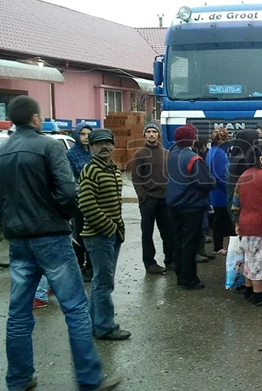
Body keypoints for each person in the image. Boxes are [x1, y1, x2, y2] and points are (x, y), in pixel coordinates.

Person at [0, 96, 122, 390]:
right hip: (51, 237)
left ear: (12, 119)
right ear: (36, 118)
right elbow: (69, 193)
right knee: (75, 307)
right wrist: (60, 216)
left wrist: (6, 217)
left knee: (18, 312)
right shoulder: (49, 146)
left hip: (18, 240)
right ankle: (88, 378)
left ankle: (19, 379)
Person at [79, 129, 129, 341]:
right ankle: (105, 327)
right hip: (99, 235)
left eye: (108, 143)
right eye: (98, 144)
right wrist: (108, 227)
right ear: (90, 147)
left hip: (113, 234)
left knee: (102, 280)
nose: (104, 147)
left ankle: (96, 324)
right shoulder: (90, 170)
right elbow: (86, 204)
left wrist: (116, 229)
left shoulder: (113, 169)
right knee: (104, 282)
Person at [166, 124, 215, 290]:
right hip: (191, 206)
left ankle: (180, 275)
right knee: (190, 244)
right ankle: (189, 279)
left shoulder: (171, 154)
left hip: (174, 204)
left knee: (178, 241)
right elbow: (204, 182)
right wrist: (212, 182)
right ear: (191, 139)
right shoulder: (193, 159)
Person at [232, 142, 262, 306]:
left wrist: (237, 222)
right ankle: (259, 295)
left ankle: (248, 289)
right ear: (261, 158)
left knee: (249, 258)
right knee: (259, 261)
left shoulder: (243, 175)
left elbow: (235, 204)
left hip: (245, 224)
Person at [132, 121, 176, 274]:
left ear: (159, 134)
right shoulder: (140, 154)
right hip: (148, 199)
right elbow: (136, 178)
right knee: (147, 233)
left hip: (164, 199)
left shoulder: (166, 153)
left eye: (154, 132)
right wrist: (142, 197)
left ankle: (170, 259)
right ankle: (150, 263)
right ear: (144, 135)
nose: (151, 134)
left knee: (168, 231)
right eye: (149, 132)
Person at [65, 122, 94, 281]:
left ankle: (91, 266)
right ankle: (79, 266)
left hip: (94, 200)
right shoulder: (70, 155)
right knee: (79, 235)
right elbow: (69, 179)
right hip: (78, 202)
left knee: (92, 233)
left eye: (88, 134)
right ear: (76, 135)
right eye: (82, 134)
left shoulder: (93, 153)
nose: (86, 137)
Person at [206, 128, 235, 255]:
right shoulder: (219, 153)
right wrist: (230, 190)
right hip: (221, 194)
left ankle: (219, 246)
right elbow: (221, 176)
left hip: (216, 193)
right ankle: (218, 247)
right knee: (221, 220)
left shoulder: (212, 151)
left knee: (219, 219)